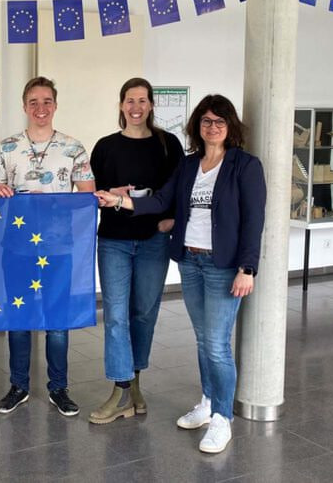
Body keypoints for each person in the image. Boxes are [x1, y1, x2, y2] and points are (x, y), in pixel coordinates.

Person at [96, 94, 266, 454]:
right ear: (197, 127)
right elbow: (161, 201)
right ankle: (207, 401)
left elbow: (253, 222)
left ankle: (223, 418)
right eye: (206, 121)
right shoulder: (190, 165)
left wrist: (247, 268)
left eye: (219, 121)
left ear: (230, 126)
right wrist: (120, 202)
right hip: (190, 261)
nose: (212, 127)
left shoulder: (245, 166)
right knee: (203, 341)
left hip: (223, 266)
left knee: (218, 345)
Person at [0, 76, 95, 417]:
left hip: (59, 248)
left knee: (57, 320)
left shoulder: (73, 147)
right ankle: (18, 385)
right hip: (17, 247)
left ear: (55, 105)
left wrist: (50, 200)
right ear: (24, 106)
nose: (40, 108)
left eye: (46, 101)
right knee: (18, 317)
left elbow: (87, 195)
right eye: (33, 102)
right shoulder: (7, 148)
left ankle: (58, 387)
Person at [88, 77, 183, 425]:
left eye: (143, 100)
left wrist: (171, 218)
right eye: (130, 100)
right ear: (120, 105)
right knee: (115, 316)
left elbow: (179, 189)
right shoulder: (105, 146)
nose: (136, 107)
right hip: (113, 240)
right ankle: (121, 388)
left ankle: (135, 382)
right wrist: (108, 193)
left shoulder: (168, 144)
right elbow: (91, 192)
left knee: (143, 313)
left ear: (152, 105)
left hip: (152, 241)